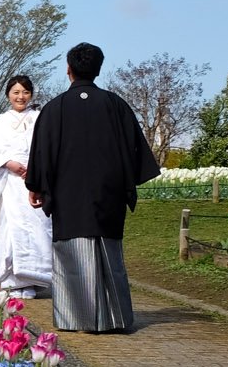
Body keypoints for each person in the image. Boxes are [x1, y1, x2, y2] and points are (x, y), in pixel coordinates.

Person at [26, 42, 162, 333]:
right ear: (99, 69)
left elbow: (41, 153)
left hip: (67, 195)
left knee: (70, 254)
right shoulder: (115, 105)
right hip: (108, 193)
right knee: (109, 252)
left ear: (69, 69)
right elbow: (134, 150)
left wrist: (36, 186)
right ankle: (116, 318)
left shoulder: (54, 109)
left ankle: (74, 318)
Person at [0, 75, 55, 299]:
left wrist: (35, 169)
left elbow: (48, 147)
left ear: (31, 95)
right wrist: (9, 163)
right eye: (16, 92)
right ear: (8, 94)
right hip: (9, 183)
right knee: (11, 230)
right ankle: (13, 279)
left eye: (25, 92)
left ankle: (36, 277)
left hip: (33, 182)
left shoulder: (39, 118)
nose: (21, 97)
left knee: (38, 229)